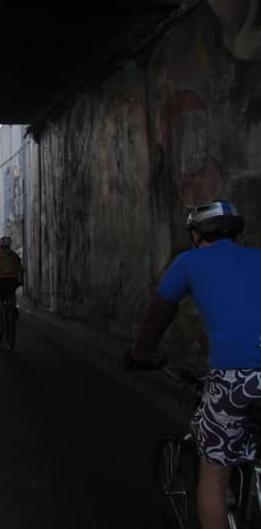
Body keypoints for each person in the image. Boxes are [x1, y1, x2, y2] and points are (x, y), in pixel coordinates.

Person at [124, 200, 261, 529]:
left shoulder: (188, 262)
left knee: (213, 474)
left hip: (234, 379)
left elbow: (158, 315)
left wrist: (140, 355)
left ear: (196, 234)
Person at [0, 235, 23, 339]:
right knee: (12, 294)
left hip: (1, 281)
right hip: (13, 281)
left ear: (0, 245)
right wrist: (21, 282)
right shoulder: (15, 255)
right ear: (9, 245)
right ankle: (13, 307)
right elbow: (20, 269)